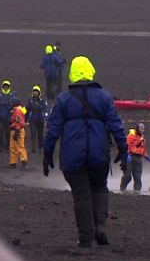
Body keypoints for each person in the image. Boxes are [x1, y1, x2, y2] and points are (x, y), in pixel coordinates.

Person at [43, 55, 128, 248]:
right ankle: (100, 228)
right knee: (99, 188)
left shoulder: (63, 99)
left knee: (81, 194)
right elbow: (116, 126)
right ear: (90, 71)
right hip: (99, 154)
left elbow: (53, 130)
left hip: (73, 156)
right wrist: (123, 150)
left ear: (72, 74)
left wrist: (47, 154)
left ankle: (85, 236)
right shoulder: (104, 97)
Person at [120, 123, 150, 192]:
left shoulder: (142, 139)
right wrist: (127, 155)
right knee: (127, 176)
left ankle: (137, 192)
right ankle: (122, 189)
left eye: (143, 128)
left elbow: (143, 150)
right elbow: (126, 146)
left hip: (138, 159)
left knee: (137, 177)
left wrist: (148, 158)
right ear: (137, 129)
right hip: (130, 157)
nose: (142, 130)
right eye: (141, 128)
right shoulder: (131, 136)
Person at [0, 80, 16, 152]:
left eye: (7, 86)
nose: (5, 87)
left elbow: (15, 106)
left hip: (9, 117)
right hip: (0, 117)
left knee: (8, 133)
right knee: (0, 132)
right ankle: (0, 147)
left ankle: (7, 147)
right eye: (4, 86)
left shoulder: (12, 96)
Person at [26, 85, 50, 152]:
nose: (35, 93)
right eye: (34, 91)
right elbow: (27, 110)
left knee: (40, 134)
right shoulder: (30, 100)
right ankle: (33, 148)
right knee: (33, 134)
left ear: (39, 92)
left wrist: (46, 119)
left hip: (40, 120)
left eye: (37, 91)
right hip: (32, 120)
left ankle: (40, 148)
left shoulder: (42, 101)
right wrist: (25, 119)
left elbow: (45, 109)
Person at [9, 98, 29, 169]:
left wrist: (17, 131)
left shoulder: (17, 111)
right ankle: (13, 163)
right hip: (15, 130)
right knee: (13, 147)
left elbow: (19, 122)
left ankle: (24, 162)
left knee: (19, 147)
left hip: (17, 130)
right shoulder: (17, 110)